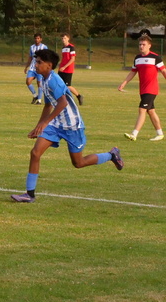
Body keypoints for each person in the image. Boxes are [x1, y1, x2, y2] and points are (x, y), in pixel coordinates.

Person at [10, 48, 123, 203]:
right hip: (56, 124)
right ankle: (29, 194)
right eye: (36, 62)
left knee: (78, 163)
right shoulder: (43, 80)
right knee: (35, 153)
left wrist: (45, 122)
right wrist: (39, 126)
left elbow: (62, 103)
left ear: (49, 65)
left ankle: (112, 155)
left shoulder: (54, 80)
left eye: (39, 62)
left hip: (72, 125)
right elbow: (48, 105)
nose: (36, 65)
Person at [119, 35, 166, 141]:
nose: (141, 46)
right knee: (151, 111)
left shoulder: (155, 57)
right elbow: (133, 72)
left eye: (144, 44)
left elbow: (163, 70)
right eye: (140, 44)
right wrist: (124, 83)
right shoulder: (137, 58)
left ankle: (134, 134)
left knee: (142, 109)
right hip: (143, 89)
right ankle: (160, 134)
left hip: (151, 89)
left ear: (149, 45)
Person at [58, 33, 83, 105]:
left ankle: (78, 96)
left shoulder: (71, 47)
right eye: (62, 38)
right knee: (59, 84)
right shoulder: (63, 48)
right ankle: (62, 100)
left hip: (68, 69)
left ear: (68, 39)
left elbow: (72, 59)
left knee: (67, 86)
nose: (63, 40)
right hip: (62, 69)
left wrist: (64, 67)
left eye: (65, 38)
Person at [24, 34, 46, 104]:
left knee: (39, 83)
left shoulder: (44, 47)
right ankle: (35, 95)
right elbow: (30, 57)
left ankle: (39, 100)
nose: (37, 40)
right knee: (28, 81)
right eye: (36, 38)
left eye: (38, 38)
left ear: (41, 39)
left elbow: (47, 57)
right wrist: (26, 67)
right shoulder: (32, 47)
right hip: (32, 67)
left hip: (40, 68)